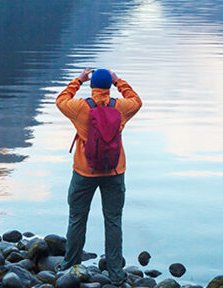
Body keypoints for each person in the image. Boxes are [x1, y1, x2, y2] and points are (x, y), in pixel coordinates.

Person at [56, 68, 142, 285]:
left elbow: (61, 100)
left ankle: (70, 265)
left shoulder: (79, 107)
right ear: (109, 86)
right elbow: (137, 101)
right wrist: (119, 81)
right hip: (114, 172)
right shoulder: (120, 107)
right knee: (113, 221)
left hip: (84, 172)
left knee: (77, 218)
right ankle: (115, 274)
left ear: (92, 86)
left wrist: (78, 80)